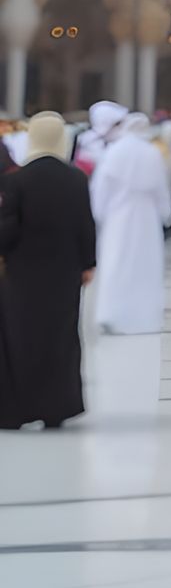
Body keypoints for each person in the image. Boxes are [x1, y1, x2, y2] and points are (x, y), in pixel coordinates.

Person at [0, 112, 97, 429]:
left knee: (20, 338)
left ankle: (18, 409)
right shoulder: (76, 178)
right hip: (64, 273)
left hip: (21, 275)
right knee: (60, 337)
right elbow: (86, 224)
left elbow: (8, 229)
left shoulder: (16, 180)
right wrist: (88, 263)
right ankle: (57, 408)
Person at [89, 113, 171, 335]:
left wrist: (99, 214)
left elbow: (102, 188)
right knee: (145, 265)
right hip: (146, 218)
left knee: (115, 262)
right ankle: (143, 317)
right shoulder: (152, 153)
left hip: (118, 216)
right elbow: (161, 189)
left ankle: (111, 313)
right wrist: (167, 213)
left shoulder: (114, 152)